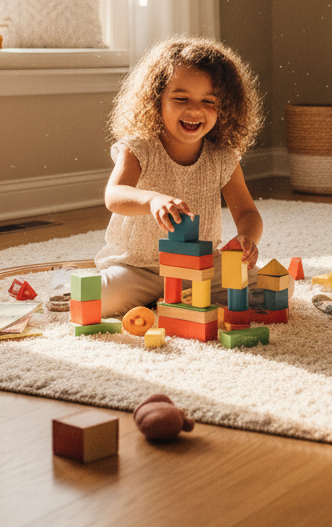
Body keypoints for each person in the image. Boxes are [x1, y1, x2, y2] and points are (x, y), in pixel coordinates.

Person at [95, 35, 265, 317]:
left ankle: (177, 299)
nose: (195, 110)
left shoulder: (222, 157)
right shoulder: (140, 148)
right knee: (98, 298)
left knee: (277, 287)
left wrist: (247, 238)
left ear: (224, 107)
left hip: (202, 265)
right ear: (155, 100)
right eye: (181, 98)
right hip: (141, 267)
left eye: (208, 101)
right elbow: (114, 196)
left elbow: (247, 212)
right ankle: (168, 298)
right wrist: (152, 201)